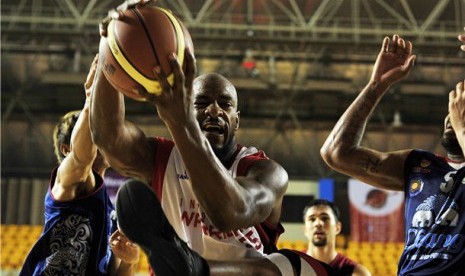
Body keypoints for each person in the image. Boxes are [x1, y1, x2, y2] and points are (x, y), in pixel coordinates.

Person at [90, 2, 335, 275]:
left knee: (286, 265)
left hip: (234, 271)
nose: (214, 110)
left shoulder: (266, 171)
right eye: (202, 102)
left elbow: (229, 213)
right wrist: (110, 48)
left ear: (237, 119)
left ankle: (194, 267)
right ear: (187, 105)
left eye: (225, 104)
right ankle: (187, 265)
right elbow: (108, 138)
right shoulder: (162, 158)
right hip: (183, 266)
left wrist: (181, 122)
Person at [320, 33, 465, 275]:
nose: (453, 115)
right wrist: (376, 85)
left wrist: (462, 127)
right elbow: (336, 154)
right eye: (453, 110)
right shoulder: (421, 165)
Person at [20, 56, 139, 275]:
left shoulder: (111, 212)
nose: (102, 136)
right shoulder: (66, 180)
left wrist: (129, 261)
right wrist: (91, 98)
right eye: (95, 130)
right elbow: (82, 156)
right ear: (66, 149)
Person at [303, 199, 371, 276]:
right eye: (312, 219)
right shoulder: (292, 265)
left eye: (324, 218)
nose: (318, 223)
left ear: (337, 227)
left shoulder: (356, 273)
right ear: (305, 229)